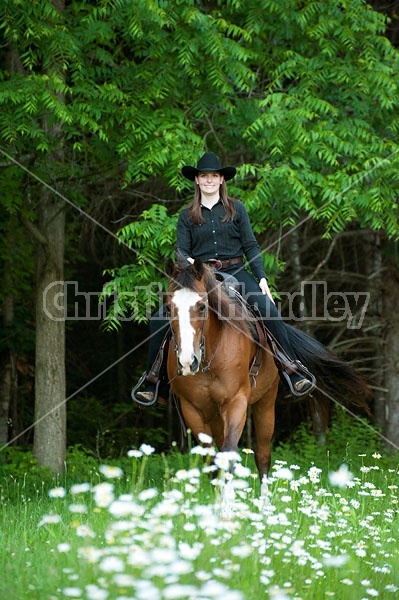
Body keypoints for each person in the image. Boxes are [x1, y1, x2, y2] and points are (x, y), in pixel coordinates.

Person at [134, 151, 315, 405]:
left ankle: (290, 369)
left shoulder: (237, 209)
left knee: (268, 310)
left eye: (214, 176)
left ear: (221, 180)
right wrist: (192, 265)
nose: (209, 180)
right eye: (204, 176)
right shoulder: (187, 215)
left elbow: (251, 246)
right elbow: (180, 251)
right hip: (201, 277)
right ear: (197, 180)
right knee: (158, 319)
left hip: (237, 272)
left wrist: (262, 279)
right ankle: (155, 380)